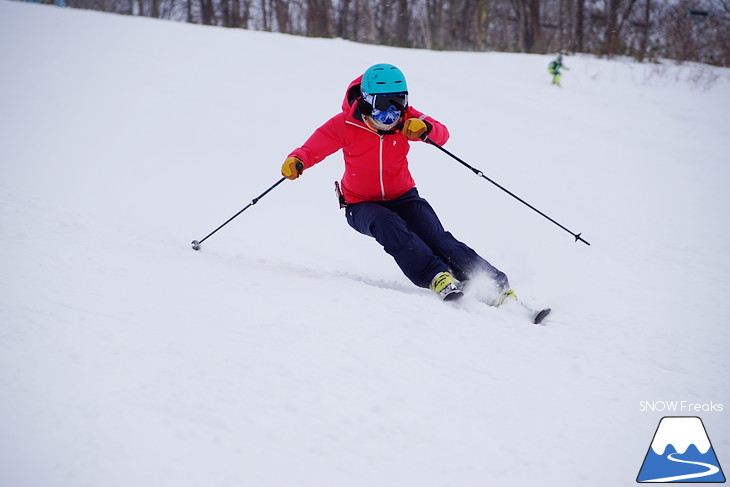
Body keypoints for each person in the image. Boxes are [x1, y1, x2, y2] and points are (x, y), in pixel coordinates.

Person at [281, 63, 515, 304]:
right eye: (382, 105)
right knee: (388, 224)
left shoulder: (406, 119)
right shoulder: (345, 124)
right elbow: (312, 148)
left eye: (398, 102)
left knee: (436, 236)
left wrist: (426, 128)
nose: (391, 113)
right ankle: (435, 275)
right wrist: (297, 160)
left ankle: (493, 284)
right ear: (365, 100)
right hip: (361, 204)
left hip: (404, 196)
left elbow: (442, 134)